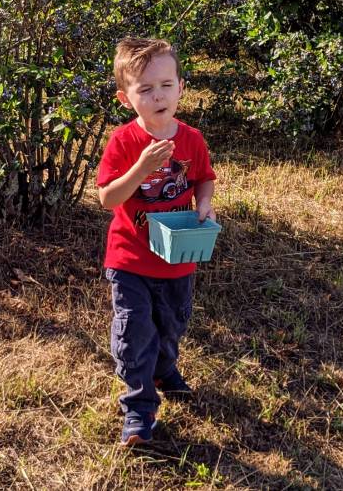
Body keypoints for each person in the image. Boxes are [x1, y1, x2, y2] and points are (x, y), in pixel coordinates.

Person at [96, 37, 217, 447]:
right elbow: (108, 197)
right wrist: (141, 167)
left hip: (179, 257)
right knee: (135, 335)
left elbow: (204, 178)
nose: (158, 95)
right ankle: (138, 411)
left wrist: (206, 206)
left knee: (172, 324)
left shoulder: (192, 139)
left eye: (166, 84)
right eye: (145, 89)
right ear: (125, 98)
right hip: (130, 259)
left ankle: (166, 369)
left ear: (181, 86)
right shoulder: (124, 142)